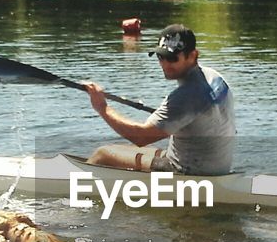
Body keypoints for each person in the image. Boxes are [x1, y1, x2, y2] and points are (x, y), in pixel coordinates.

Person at [84, 25, 235, 175]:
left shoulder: (186, 96)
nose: (165, 64)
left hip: (190, 172)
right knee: (127, 150)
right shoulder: (215, 77)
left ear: (193, 55)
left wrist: (102, 107)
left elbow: (141, 137)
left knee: (102, 154)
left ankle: (72, 188)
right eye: (161, 56)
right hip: (218, 166)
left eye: (172, 58)